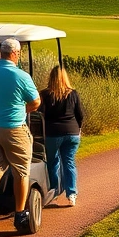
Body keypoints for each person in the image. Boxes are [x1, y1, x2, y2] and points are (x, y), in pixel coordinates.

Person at [0, 38, 40, 235]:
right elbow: (36, 102)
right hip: (13, 129)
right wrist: (22, 109)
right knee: (21, 171)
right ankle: (20, 214)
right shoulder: (21, 76)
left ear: (0, 53)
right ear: (15, 54)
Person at [39, 65, 84, 206]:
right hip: (72, 132)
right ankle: (72, 194)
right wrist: (79, 128)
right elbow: (80, 114)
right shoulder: (73, 93)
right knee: (69, 162)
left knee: (52, 163)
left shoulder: (45, 94)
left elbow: (41, 115)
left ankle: (54, 192)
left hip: (52, 133)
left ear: (51, 78)